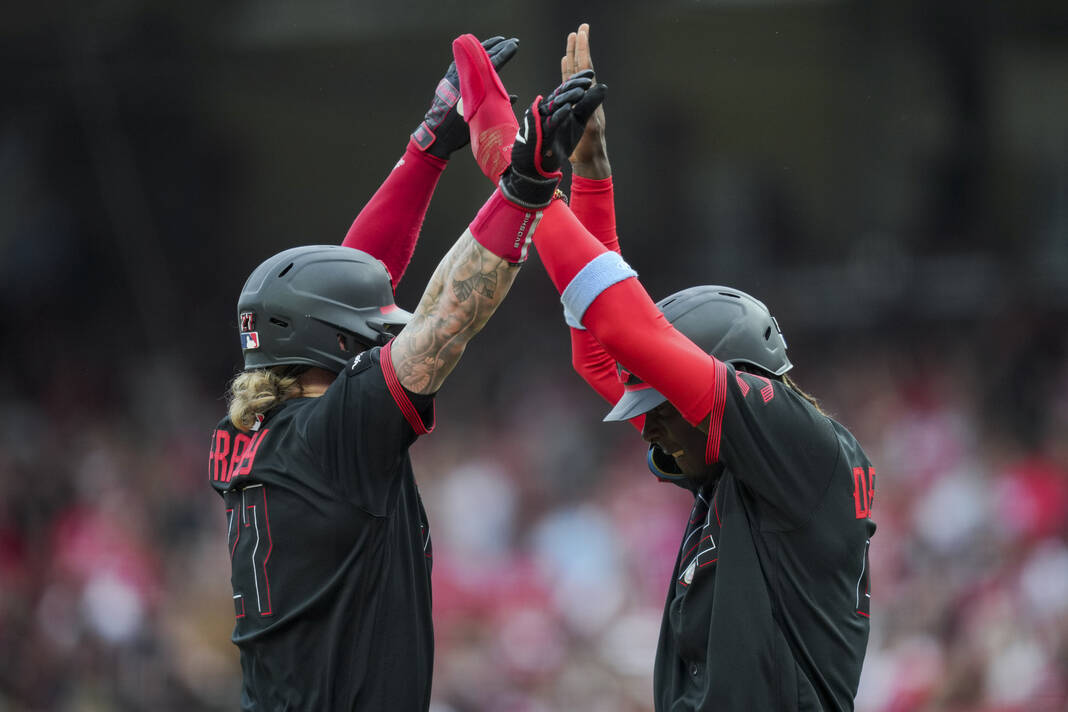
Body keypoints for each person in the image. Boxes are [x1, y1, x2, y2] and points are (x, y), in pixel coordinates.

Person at [207, 34, 605, 711]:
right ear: (332, 346)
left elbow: (349, 280)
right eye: (371, 333)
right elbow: (445, 318)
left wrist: (427, 150)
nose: (385, 336)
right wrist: (523, 189)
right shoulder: (335, 436)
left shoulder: (255, 428)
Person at [544, 24, 875, 711]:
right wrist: (591, 173)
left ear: (739, 378)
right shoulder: (747, 471)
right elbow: (598, 351)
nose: (652, 428)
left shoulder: (803, 449)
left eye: (665, 407)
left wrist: (518, 185)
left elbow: (622, 328)